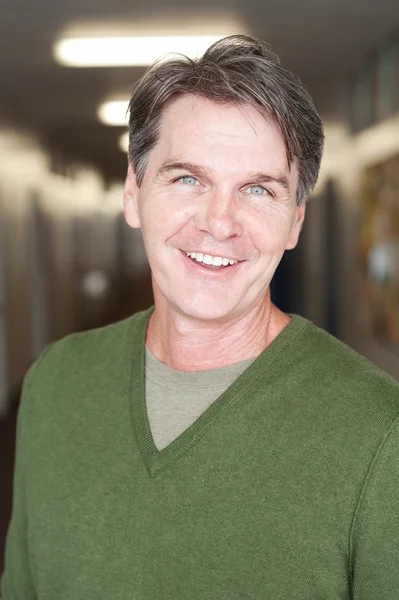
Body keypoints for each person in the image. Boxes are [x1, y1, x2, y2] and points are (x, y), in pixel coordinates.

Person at [2, 35, 399, 600]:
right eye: (188, 178)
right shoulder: (55, 385)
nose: (220, 222)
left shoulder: (381, 435)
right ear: (134, 195)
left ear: (295, 223)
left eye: (258, 190)